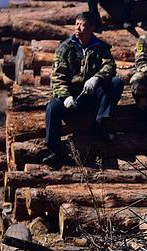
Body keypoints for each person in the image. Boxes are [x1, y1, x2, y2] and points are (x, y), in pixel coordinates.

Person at [43, 11, 124, 169]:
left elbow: (110, 66)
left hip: (91, 95)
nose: (78, 28)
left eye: (83, 25)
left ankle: (101, 123)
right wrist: (65, 96)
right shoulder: (65, 48)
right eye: (77, 24)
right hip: (72, 96)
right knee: (52, 108)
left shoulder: (100, 47)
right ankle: (54, 150)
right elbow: (57, 76)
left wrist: (97, 78)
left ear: (92, 28)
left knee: (116, 82)